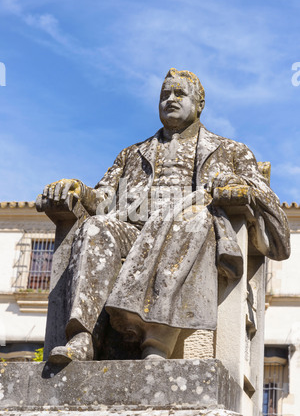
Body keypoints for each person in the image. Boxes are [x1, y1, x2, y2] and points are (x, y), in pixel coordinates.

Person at [41, 68, 290, 363]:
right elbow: (104, 198)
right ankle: (83, 338)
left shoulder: (230, 151)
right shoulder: (132, 154)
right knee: (96, 228)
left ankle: (156, 342)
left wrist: (237, 187)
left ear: (199, 105)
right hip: (133, 230)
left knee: (193, 217)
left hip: (189, 227)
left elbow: (266, 202)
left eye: (179, 93)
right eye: (164, 95)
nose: (170, 99)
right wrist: (80, 191)